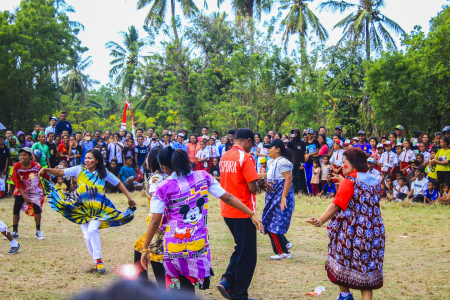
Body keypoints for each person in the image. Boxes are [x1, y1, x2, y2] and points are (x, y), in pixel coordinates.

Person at [140, 146, 264, 295]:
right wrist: (251, 214)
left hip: (174, 244)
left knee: (177, 286)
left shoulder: (162, 187)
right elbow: (228, 197)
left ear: (164, 168)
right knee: (189, 283)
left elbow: (155, 221)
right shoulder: (203, 177)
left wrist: (145, 248)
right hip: (197, 244)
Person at [39, 149, 137, 274]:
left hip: (98, 209)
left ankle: (99, 260)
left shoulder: (103, 173)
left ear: (96, 160)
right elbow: (62, 172)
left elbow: (119, 184)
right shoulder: (79, 169)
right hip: (81, 209)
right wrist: (46, 170)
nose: (87, 160)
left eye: (90, 158)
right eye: (86, 158)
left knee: (92, 230)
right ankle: (97, 261)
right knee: (86, 237)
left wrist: (130, 198)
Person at [306, 147, 384, 300]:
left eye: (344, 162)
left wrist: (320, 220)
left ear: (353, 164)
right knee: (366, 269)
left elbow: (336, 205)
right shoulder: (375, 180)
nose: (342, 166)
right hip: (374, 232)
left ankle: (345, 295)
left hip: (353, 231)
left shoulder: (349, 182)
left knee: (339, 260)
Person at [217, 128, 272, 300]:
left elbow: (236, 180)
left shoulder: (225, 156)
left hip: (227, 210)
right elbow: (250, 187)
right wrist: (258, 185)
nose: (252, 148)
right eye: (252, 143)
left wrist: (258, 182)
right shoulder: (246, 157)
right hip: (244, 212)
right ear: (247, 141)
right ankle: (239, 295)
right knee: (248, 256)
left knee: (240, 249)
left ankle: (227, 281)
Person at [256, 139, 295, 260]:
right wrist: (256, 175)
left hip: (280, 195)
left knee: (273, 223)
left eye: (270, 148)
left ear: (277, 149)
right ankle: (285, 243)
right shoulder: (272, 162)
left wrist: (283, 197)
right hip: (273, 195)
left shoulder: (283, 162)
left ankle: (282, 252)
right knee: (270, 220)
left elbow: (288, 179)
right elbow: (271, 175)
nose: (268, 150)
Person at [133, 147, 166, 287]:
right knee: (140, 248)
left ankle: (153, 289)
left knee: (154, 254)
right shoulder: (168, 174)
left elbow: (157, 197)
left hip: (159, 221)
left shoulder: (156, 178)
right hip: (164, 220)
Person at [12, 147, 50, 239]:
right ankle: (15, 232)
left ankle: (38, 231)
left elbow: (45, 175)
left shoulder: (36, 165)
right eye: (21, 155)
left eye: (24, 155)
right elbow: (17, 183)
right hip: (21, 191)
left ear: (30, 156)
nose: (22, 157)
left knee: (37, 208)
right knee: (16, 209)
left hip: (35, 191)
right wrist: (25, 197)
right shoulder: (16, 167)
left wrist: (50, 184)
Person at [304, 128, 320, 194]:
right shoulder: (305, 143)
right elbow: (305, 152)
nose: (309, 135)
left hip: (313, 162)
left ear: (313, 134)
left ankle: (314, 192)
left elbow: (317, 151)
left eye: (311, 134)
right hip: (307, 162)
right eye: (308, 134)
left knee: (311, 176)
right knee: (307, 178)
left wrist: (309, 155)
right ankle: (310, 192)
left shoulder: (316, 141)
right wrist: (306, 156)